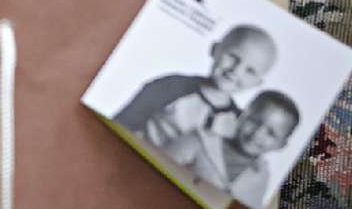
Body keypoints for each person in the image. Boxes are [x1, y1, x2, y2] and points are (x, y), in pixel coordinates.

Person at [113, 23, 277, 167]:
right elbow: (123, 122)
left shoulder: (238, 122)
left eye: (250, 71)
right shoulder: (172, 86)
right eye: (233, 57)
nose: (236, 70)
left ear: (256, 84)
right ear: (214, 50)